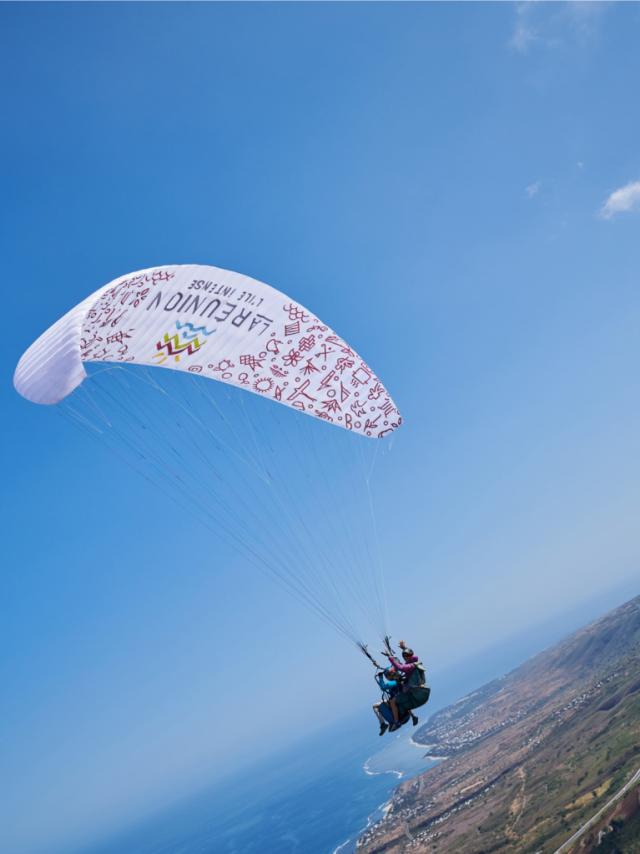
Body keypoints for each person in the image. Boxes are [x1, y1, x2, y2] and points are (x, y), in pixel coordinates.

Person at [385, 640, 429, 731]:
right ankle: (412, 716)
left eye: (405, 657)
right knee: (400, 695)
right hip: (418, 689)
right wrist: (405, 648)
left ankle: (396, 722)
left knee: (393, 701)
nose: (405, 659)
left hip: (414, 691)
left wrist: (390, 658)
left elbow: (400, 667)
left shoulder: (411, 666)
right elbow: (412, 657)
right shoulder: (415, 661)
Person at [373, 667, 400, 736]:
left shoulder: (394, 682)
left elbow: (383, 687)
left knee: (376, 706)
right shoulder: (397, 679)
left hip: (395, 699)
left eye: (387, 675)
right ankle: (383, 724)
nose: (387, 677)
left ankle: (395, 722)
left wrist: (381, 678)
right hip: (395, 698)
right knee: (375, 706)